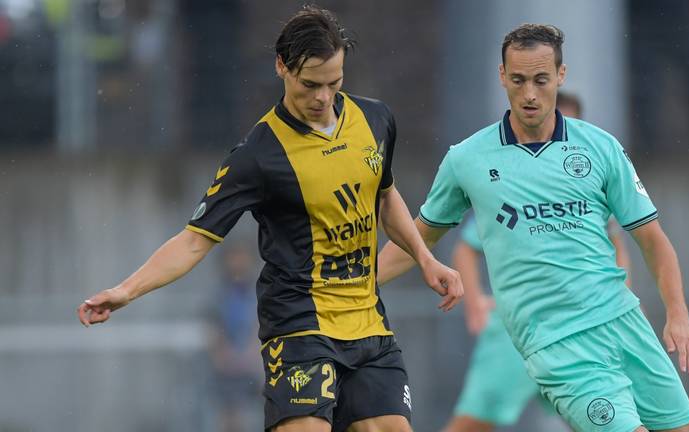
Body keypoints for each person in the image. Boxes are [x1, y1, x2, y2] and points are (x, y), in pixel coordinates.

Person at [77, 6, 462, 432]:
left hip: (368, 323)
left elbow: (385, 197)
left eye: (334, 84)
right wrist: (125, 291)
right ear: (282, 67)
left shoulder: (375, 120)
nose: (322, 97)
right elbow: (194, 241)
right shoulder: (257, 155)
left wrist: (427, 260)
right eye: (310, 84)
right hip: (298, 327)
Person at [378, 24, 689, 432]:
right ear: (501, 76)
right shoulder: (467, 159)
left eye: (541, 80)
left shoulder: (600, 147)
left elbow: (652, 240)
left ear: (561, 76)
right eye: (518, 80)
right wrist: (358, 285)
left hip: (625, 324)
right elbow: (418, 237)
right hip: (557, 344)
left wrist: (677, 314)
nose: (529, 93)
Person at [441, 93, 632, 432]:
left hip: (581, 328)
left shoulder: (592, 184)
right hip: (519, 332)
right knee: (472, 424)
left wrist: (623, 307)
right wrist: (475, 305)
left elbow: (617, 250)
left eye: (566, 126)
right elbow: (465, 248)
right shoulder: (513, 189)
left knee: (605, 422)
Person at [208, 244, 263, 432]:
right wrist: (222, 354)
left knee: (254, 414)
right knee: (229, 415)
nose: (237, 262)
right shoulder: (219, 293)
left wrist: (252, 351)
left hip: (253, 367)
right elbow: (214, 326)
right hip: (227, 368)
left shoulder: (258, 290)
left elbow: (260, 323)